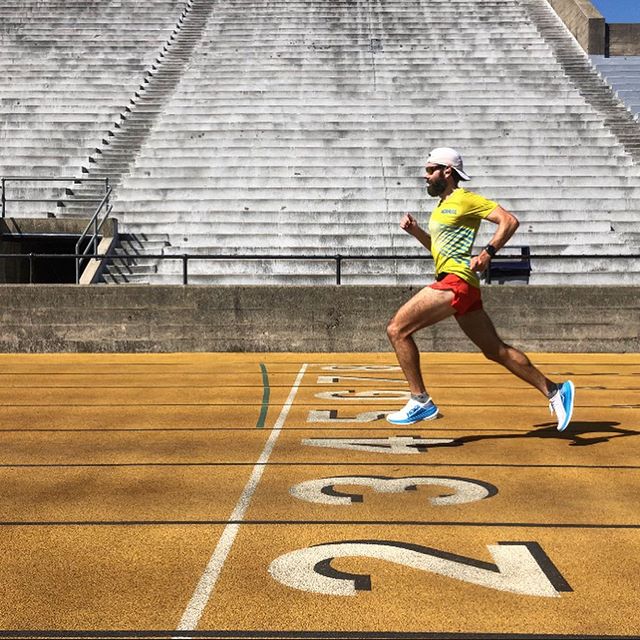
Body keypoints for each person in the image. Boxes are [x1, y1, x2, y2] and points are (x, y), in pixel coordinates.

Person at [386, 147, 574, 431]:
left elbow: (509, 221)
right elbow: (438, 250)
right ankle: (554, 390)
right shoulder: (442, 207)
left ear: (447, 172)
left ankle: (420, 400)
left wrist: (487, 253)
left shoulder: (465, 199)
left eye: (429, 170)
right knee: (495, 350)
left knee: (397, 330)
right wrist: (417, 233)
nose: (425, 176)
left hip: (456, 282)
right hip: (460, 284)